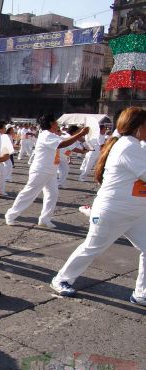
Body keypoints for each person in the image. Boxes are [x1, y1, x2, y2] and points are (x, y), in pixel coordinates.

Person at [50, 107, 146, 306]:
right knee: (91, 248)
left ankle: (141, 293)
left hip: (136, 213)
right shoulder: (129, 146)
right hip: (114, 211)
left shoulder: (138, 146)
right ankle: (61, 279)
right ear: (138, 127)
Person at [5, 114, 88, 228]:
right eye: (55, 122)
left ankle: (45, 219)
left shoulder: (53, 135)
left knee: (52, 194)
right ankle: (11, 214)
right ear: (50, 124)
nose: (57, 125)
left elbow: (65, 142)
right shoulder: (46, 135)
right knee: (29, 193)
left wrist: (81, 138)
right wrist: (80, 134)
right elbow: (62, 144)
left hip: (51, 170)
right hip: (41, 170)